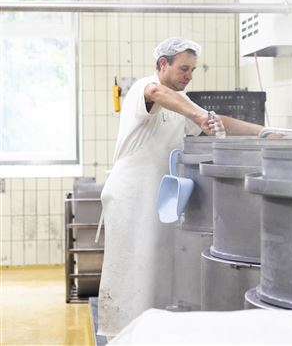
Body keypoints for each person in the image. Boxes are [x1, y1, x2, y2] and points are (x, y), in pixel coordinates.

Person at [97, 37, 264, 337]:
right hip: (130, 198)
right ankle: (121, 336)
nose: (189, 76)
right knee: (130, 271)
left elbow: (217, 119)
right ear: (163, 64)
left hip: (157, 199)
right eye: (184, 68)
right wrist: (200, 116)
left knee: (153, 273)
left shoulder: (181, 102)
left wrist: (264, 133)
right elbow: (158, 94)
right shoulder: (145, 88)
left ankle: (147, 335)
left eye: (193, 70)